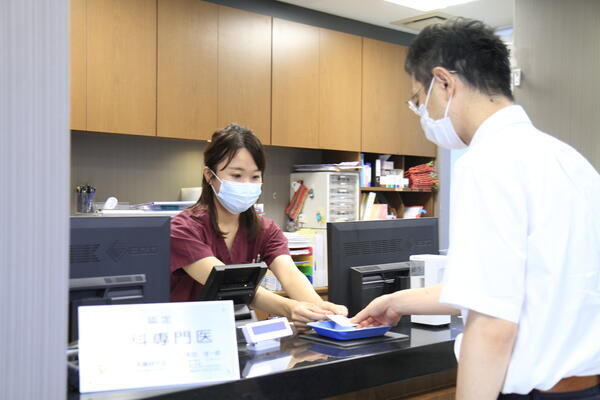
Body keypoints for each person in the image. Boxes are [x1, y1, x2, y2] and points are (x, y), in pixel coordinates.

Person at [351, 18, 600, 400]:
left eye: (420, 99)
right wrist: (396, 301)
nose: (423, 112)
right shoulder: (569, 160)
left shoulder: (488, 163)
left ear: (445, 82)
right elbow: (519, 284)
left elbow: (493, 324)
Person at [170, 123, 347, 330]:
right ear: (210, 176)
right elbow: (229, 285)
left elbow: (290, 275)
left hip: (233, 332)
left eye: (255, 176)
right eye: (236, 175)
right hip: (184, 334)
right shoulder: (183, 229)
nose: (247, 183)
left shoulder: (264, 229)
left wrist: (321, 309)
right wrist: (291, 308)